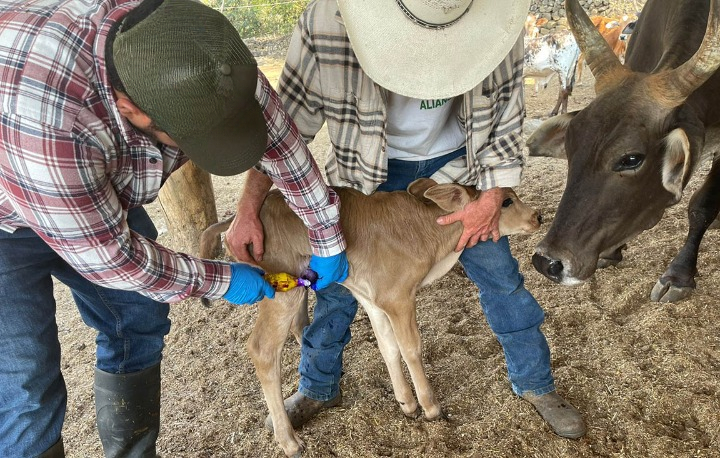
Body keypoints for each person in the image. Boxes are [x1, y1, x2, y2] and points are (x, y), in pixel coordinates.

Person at [0, 0, 350, 456]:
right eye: (192, 138)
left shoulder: (200, 56)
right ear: (131, 109)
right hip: (13, 210)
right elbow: (115, 261)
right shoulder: (51, 118)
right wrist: (223, 280)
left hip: (94, 193)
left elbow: (282, 145)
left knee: (139, 320)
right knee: (24, 380)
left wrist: (325, 233)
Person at [226, 0, 587, 440]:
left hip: (461, 171)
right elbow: (285, 128)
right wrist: (248, 208)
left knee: (500, 276)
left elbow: (508, 117)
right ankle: (318, 386)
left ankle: (535, 383)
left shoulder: (497, 16)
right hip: (364, 173)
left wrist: (492, 196)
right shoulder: (327, 20)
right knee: (335, 287)